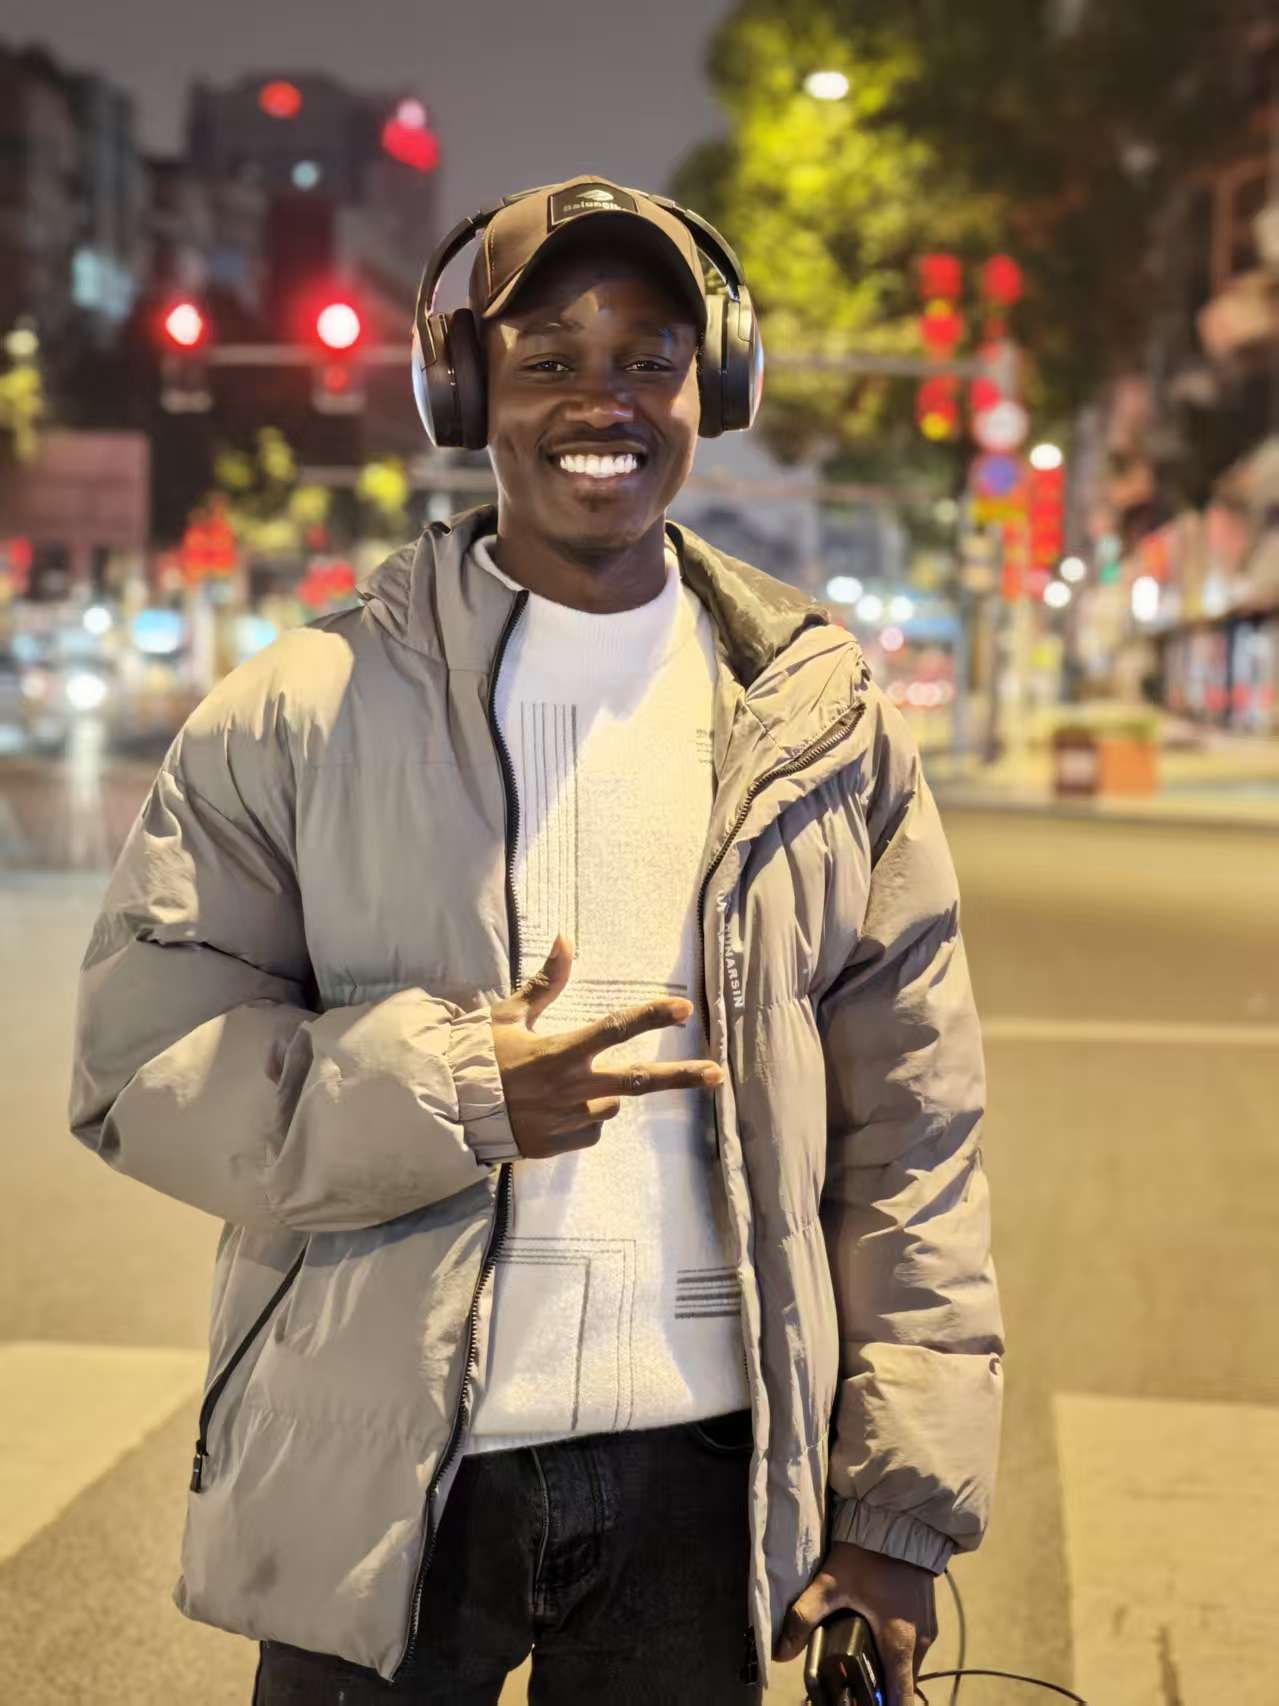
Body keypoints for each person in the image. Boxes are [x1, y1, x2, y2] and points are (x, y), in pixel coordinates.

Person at [69, 175, 1003, 1706]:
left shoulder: (819, 727)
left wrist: (895, 1510)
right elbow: (140, 1059)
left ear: (713, 388)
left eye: (648, 358)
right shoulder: (298, 709)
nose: (602, 400)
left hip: (699, 1484)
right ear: (462, 390)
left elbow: (914, 1137)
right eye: (549, 357)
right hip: (385, 1473)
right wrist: (451, 1089)